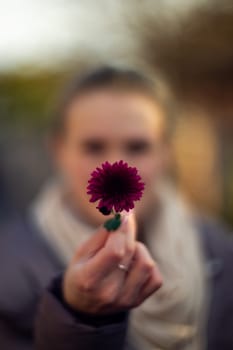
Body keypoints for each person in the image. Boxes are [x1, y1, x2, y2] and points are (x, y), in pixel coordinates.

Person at [0, 67, 232, 350]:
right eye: (94, 147)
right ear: (58, 150)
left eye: (137, 147)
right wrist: (79, 317)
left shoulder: (220, 249)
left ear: (166, 153)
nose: (115, 165)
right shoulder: (9, 268)